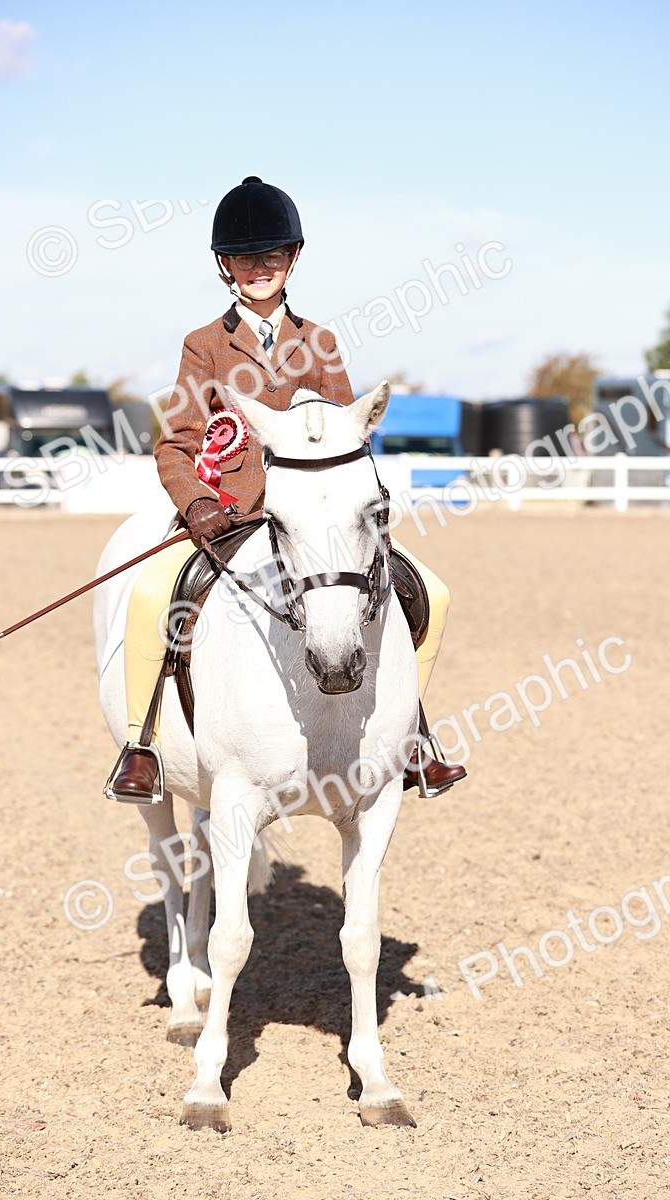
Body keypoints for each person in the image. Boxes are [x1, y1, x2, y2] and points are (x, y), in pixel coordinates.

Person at [107, 176, 467, 802]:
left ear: (293, 257)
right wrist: (198, 504)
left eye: (271, 255)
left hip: (314, 523)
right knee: (149, 595)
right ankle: (141, 745)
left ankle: (411, 736)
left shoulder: (319, 342)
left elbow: (350, 433)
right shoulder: (204, 345)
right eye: (244, 258)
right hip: (230, 521)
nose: (259, 268)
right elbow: (175, 445)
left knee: (429, 592)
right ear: (225, 265)